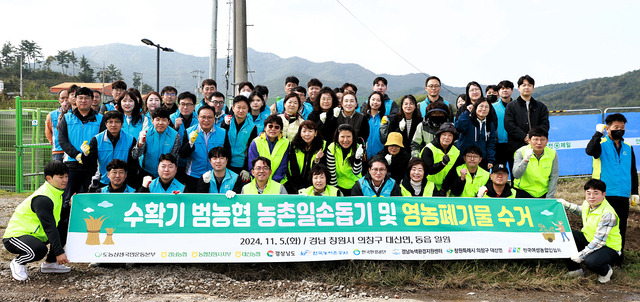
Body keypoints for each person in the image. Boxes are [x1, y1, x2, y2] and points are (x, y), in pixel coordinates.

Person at [3, 160, 71, 281]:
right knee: (39, 250)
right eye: (61, 177)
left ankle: (50, 264)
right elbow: (49, 227)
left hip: (35, 236)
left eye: (66, 176)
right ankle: (18, 262)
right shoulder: (43, 198)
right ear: (49, 178)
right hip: (15, 237)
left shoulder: (56, 192)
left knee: (64, 225)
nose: (65, 180)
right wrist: (59, 252)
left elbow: (58, 218)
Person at [586, 113, 638, 260]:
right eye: (616, 127)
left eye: (622, 127)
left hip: (623, 193)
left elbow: (632, 171)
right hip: (604, 193)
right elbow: (589, 151)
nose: (620, 130)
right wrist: (597, 133)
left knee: (620, 227)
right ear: (607, 128)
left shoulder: (628, 147)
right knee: (602, 226)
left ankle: (618, 256)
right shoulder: (600, 145)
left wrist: (635, 191)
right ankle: (599, 255)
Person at [559, 179, 621, 283]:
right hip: (590, 239)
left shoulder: (608, 214)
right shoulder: (587, 204)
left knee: (591, 262)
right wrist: (566, 205)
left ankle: (606, 271)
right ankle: (575, 270)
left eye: (596, 193)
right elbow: (581, 210)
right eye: (588, 193)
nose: (591, 197)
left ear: (603, 194)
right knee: (568, 236)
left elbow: (599, 241)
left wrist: (581, 255)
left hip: (607, 247)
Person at [504, 75, 550, 175]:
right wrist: (525, 137)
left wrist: (534, 138)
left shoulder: (541, 106)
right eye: (523, 85)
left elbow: (545, 124)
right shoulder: (511, 106)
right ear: (518, 88)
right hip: (516, 146)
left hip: (537, 146)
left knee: (537, 172)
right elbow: (509, 125)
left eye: (529, 85)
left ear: (533, 88)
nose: (526, 87)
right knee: (517, 173)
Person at [179, 105, 228, 192]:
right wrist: (190, 143)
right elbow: (183, 155)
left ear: (214, 118)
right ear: (198, 117)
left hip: (215, 175)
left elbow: (228, 154)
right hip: (194, 175)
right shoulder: (189, 131)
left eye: (209, 117)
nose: (206, 120)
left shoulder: (222, 132)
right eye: (203, 117)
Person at [82, 110, 137, 188]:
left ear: (122, 124)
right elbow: (90, 164)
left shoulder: (131, 140)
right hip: (103, 181)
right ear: (106, 124)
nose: (113, 125)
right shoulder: (97, 140)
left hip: (124, 182)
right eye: (110, 122)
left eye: (117, 122)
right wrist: (85, 155)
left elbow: (133, 164)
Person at [133, 107, 180, 178]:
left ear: (168, 122)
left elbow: (174, 158)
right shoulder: (145, 133)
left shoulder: (175, 136)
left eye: (164, 120)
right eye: (157, 119)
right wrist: (140, 144)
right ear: (152, 120)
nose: (160, 123)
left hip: (166, 173)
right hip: (146, 171)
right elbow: (135, 155)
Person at [512, 127, 559, 198]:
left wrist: (550, 196)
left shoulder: (552, 153)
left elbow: (554, 176)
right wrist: (525, 160)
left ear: (547, 141)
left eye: (542, 139)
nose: (539, 143)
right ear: (529, 140)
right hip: (523, 192)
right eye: (536, 139)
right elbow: (516, 175)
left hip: (543, 192)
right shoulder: (520, 152)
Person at [220, 95, 258, 180]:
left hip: (241, 166)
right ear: (233, 108)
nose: (241, 110)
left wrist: (247, 168)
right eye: (238, 107)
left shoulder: (252, 127)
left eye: (244, 108)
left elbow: (251, 150)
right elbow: (221, 141)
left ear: (248, 109)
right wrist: (225, 124)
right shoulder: (227, 122)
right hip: (225, 164)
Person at [455, 97, 497, 170]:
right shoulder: (467, 119)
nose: (483, 109)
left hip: (481, 160)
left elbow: (491, 143)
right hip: (464, 158)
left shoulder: (490, 124)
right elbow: (459, 127)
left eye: (487, 107)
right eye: (481, 106)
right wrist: (467, 112)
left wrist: (490, 160)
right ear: (476, 107)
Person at [285, 120, 326, 193]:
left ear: (315, 133)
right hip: (296, 184)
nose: (307, 134)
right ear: (300, 133)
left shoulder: (323, 146)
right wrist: (298, 186)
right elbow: (293, 166)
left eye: (310, 131)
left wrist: (317, 160)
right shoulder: (294, 146)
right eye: (304, 131)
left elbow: (322, 168)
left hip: (315, 185)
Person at [420, 123, 460, 196]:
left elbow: (453, 172)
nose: (447, 138)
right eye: (444, 134)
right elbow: (429, 170)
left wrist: (444, 189)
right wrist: (442, 163)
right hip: (427, 185)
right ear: (439, 136)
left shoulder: (456, 152)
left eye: (450, 135)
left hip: (445, 187)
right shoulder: (429, 149)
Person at [248, 114, 290, 183]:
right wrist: (262, 181)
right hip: (258, 182)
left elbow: (283, 165)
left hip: (278, 182)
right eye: (270, 126)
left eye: (277, 127)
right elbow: (252, 164)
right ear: (265, 128)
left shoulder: (286, 143)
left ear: (280, 130)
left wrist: (274, 182)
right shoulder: (256, 142)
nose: (273, 129)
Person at [327, 124, 364, 196]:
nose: (345, 140)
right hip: (338, 183)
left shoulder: (358, 148)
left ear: (353, 137)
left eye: (349, 137)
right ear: (337, 137)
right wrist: (335, 189)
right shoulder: (332, 148)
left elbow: (356, 172)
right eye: (342, 137)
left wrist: (357, 159)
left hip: (355, 184)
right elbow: (331, 171)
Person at [171, 92, 199, 182]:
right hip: (176, 161)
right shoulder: (171, 118)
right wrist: (175, 128)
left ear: (194, 106)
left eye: (189, 104)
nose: (185, 107)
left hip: (193, 160)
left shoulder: (199, 120)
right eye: (182, 104)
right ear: (178, 105)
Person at [492, 80, 514, 166]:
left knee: (515, 174)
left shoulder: (517, 106)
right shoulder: (493, 107)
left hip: (514, 144)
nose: (505, 90)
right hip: (498, 145)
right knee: (498, 173)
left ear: (512, 90)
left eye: (507, 88)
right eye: (502, 88)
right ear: (498, 91)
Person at [45, 90, 70, 161]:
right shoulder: (51, 115)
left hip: (72, 150)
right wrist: (54, 143)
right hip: (58, 151)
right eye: (62, 98)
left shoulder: (75, 114)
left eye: (67, 97)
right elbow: (48, 132)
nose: (65, 100)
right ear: (59, 100)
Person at [364, 91, 386, 159]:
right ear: (369, 101)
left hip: (379, 156)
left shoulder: (384, 119)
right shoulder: (363, 118)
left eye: (378, 100)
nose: (375, 102)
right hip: (364, 156)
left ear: (381, 103)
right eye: (373, 99)